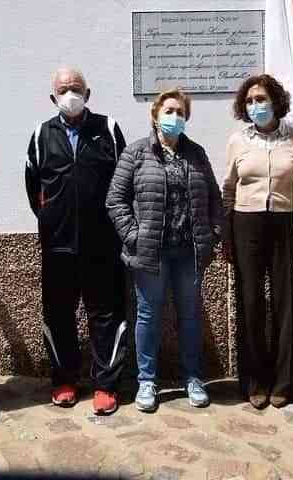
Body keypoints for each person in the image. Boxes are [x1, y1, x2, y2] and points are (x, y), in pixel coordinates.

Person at [106, 88, 224, 413]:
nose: (175, 117)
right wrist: (133, 236)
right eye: (169, 110)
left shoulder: (196, 154)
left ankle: (193, 378)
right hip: (151, 255)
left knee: (189, 315)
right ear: (155, 114)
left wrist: (212, 234)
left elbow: (215, 197)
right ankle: (147, 380)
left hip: (189, 252)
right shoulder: (136, 154)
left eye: (181, 112)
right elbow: (115, 200)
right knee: (148, 315)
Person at [25, 67, 128, 415]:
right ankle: (65, 380)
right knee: (58, 315)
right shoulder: (41, 134)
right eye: (63, 88)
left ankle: (105, 385)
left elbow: (123, 183)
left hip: (103, 245)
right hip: (58, 246)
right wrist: (51, 220)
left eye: (76, 88)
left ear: (88, 92)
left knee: (106, 315)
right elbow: (33, 185)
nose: (70, 93)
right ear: (53, 96)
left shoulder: (109, 129)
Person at [223, 74, 293, 409]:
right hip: (247, 222)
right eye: (250, 101)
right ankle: (254, 381)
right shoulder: (238, 142)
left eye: (261, 99)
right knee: (251, 303)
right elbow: (228, 189)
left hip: (287, 223)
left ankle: (284, 382)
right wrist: (227, 235)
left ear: (276, 101)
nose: (256, 106)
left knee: (286, 303)